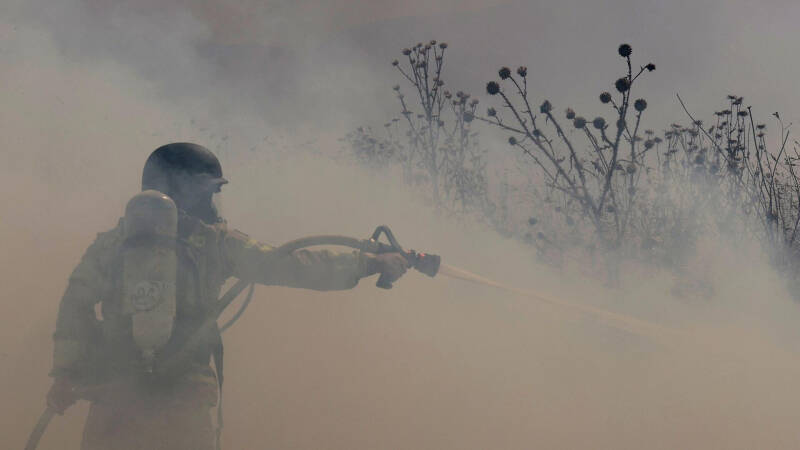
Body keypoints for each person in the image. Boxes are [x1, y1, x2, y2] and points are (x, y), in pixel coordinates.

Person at [45, 142, 409, 450]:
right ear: (187, 191)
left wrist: (65, 375)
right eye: (208, 192)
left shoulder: (111, 244)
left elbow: (74, 305)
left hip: (114, 400)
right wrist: (369, 263)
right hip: (183, 402)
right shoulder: (213, 243)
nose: (212, 201)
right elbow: (291, 265)